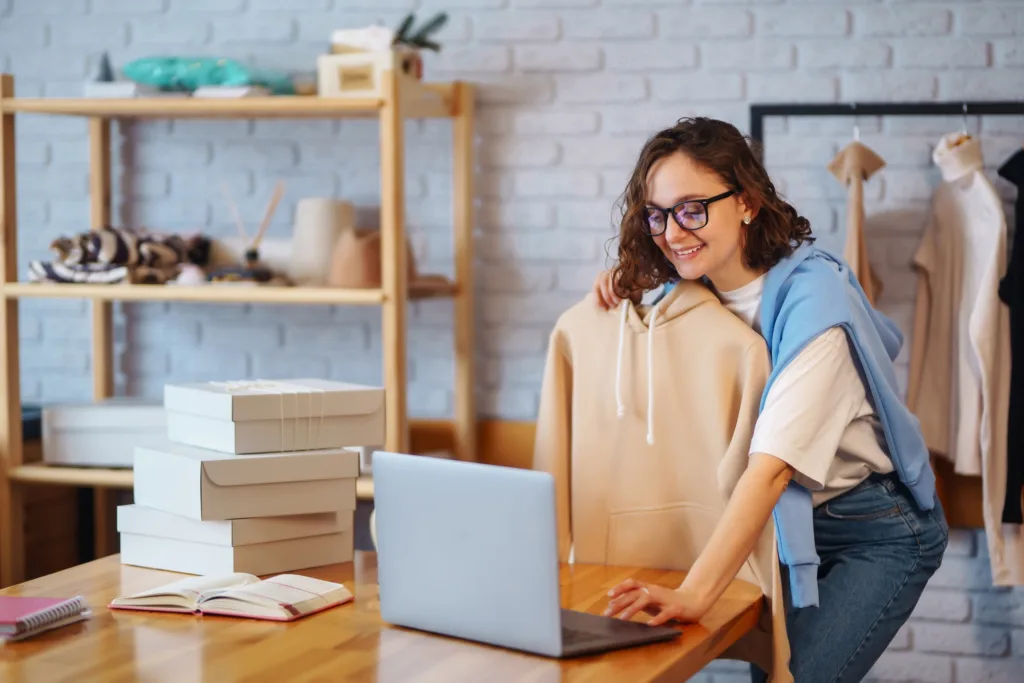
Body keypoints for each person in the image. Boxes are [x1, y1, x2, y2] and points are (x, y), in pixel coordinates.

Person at [593, 117, 949, 682]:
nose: (672, 232)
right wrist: (624, 286)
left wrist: (694, 594)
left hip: (873, 526)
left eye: (693, 208)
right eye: (657, 214)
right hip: (781, 528)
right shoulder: (691, 293)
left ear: (748, 202)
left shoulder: (816, 306)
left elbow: (771, 471)